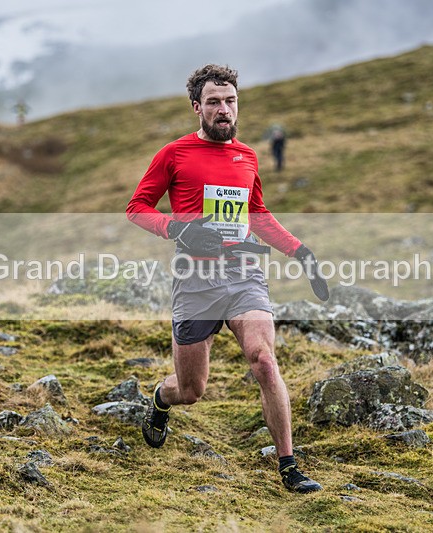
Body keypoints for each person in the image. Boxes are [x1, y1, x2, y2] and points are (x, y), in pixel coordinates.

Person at [126, 64, 329, 494]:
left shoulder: (249, 156)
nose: (224, 110)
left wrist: (301, 252)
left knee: (264, 360)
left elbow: (258, 216)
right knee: (191, 389)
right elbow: (138, 207)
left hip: (242, 273)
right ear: (197, 107)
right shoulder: (174, 154)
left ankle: (289, 466)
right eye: (214, 102)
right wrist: (177, 228)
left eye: (230, 101)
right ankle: (161, 400)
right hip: (194, 279)